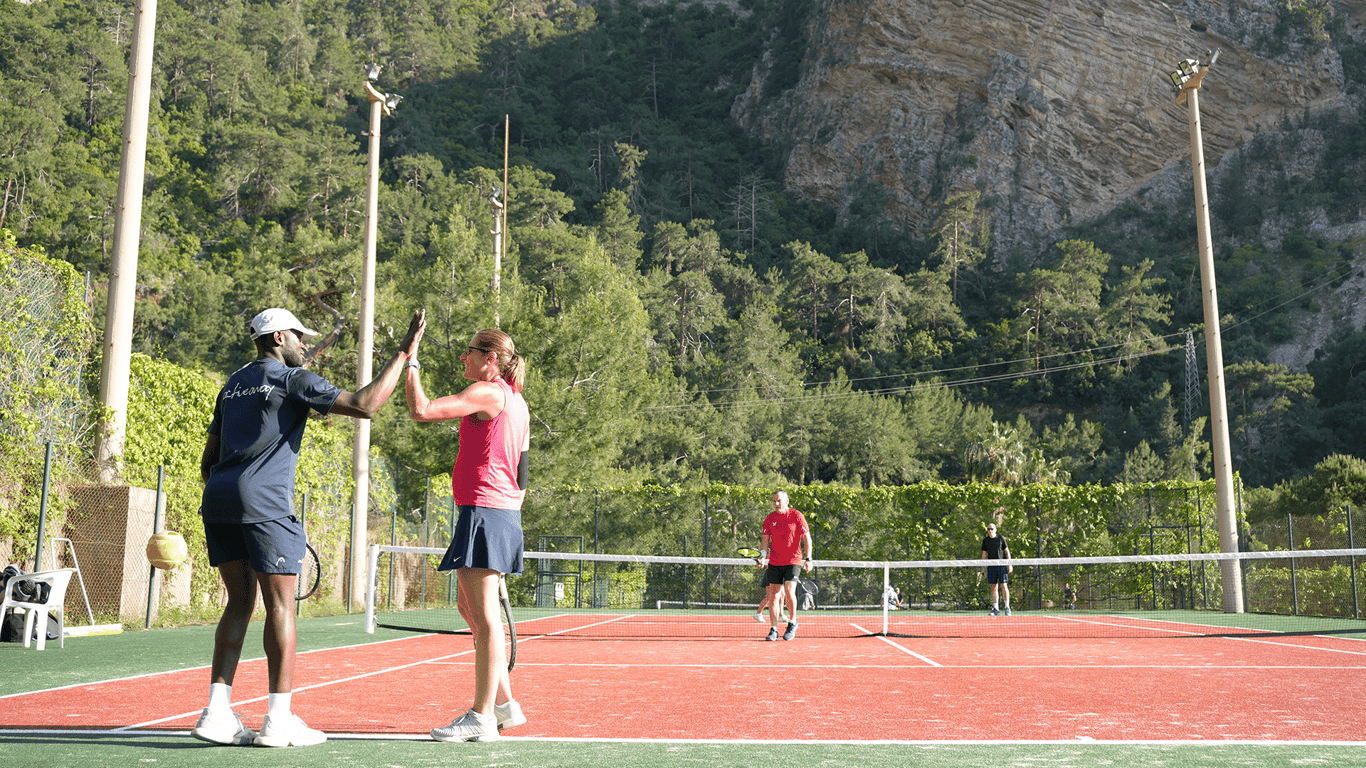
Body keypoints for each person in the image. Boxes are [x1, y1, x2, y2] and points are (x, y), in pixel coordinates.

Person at [193, 307, 421, 748]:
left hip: (218, 499)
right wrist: (403, 352)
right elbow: (365, 405)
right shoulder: (293, 379)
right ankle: (278, 720)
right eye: (299, 337)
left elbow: (208, 462)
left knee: (238, 602)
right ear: (279, 337)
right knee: (281, 606)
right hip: (264, 503)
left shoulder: (231, 385)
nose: (304, 344)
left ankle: (216, 713)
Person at [405, 312, 530, 743]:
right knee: (469, 611)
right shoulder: (518, 402)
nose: (463, 357)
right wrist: (512, 506)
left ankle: (481, 718)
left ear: (491, 359)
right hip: (496, 512)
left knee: (485, 619)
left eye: (470, 351)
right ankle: (505, 705)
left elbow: (422, 410)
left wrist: (410, 361)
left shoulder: (488, 393)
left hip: (486, 510)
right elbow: (524, 466)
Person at [759, 491, 813, 641]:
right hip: (774, 561)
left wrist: (808, 558)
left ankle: (792, 622)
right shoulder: (770, 518)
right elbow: (765, 541)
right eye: (774, 501)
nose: (776, 504)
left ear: (787, 500)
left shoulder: (797, 515)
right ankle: (774, 629)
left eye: (779, 500)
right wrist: (763, 556)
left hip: (793, 560)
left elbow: (807, 538)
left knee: (789, 590)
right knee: (774, 596)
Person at [980, 522, 1012, 617]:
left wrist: (1009, 564)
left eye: (992, 529)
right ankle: (996, 609)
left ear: (995, 530)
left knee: (1003, 586)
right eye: (988, 529)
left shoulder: (1001, 538)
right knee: (993, 587)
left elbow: (1007, 552)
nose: (990, 531)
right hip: (991, 566)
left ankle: (1007, 607)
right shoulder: (985, 540)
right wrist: (983, 568)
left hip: (1002, 566)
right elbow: (984, 555)